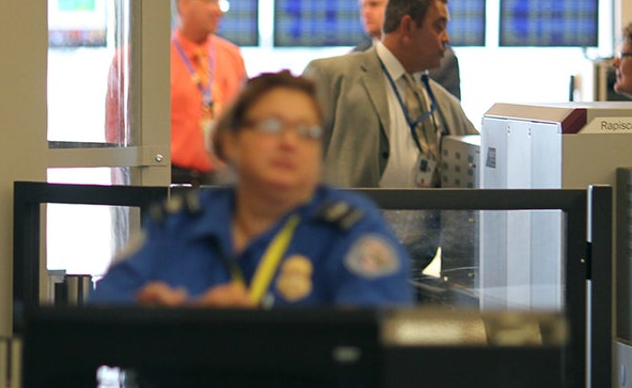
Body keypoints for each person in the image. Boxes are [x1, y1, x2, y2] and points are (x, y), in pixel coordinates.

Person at [91, 71, 412, 307]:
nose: (289, 143)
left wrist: (255, 331)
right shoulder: (180, 222)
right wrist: (163, 315)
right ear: (231, 141)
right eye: (272, 126)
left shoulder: (349, 228)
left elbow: (377, 340)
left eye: (307, 132)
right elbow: (103, 309)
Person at [302, 0, 477, 300]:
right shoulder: (333, 76)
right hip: (341, 263)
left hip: (411, 266)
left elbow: (480, 154)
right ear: (408, 27)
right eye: (439, 26)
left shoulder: (440, 100)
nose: (446, 38)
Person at [105, 0, 248, 185]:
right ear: (184, 4)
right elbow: (117, 132)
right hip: (165, 181)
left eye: (221, 2)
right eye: (211, 1)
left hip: (222, 183)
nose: (219, 10)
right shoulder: (139, 59)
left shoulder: (232, 56)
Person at [352, 0, 461, 99]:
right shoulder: (354, 58)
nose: (365, 12)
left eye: (374, 4)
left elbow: (450, 116)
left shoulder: (441, 59)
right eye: (363, 6)